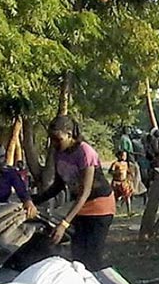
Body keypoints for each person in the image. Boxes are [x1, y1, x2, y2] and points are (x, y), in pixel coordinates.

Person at [33, 115, 117, 271]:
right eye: (52, 139)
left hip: (100, 207)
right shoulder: (59, 153)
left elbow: (85, 193)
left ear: (70, 135)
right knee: (78, 258)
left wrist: (64, 224)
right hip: (81, 208)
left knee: (92, 258)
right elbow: (58, 186)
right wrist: (33, 200)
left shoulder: (85, 152)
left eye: (58, 139)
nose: (54, 144)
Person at [109, 150, 134, 215]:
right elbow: (110, 172)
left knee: (127, 196)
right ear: (119, 156)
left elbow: (128, 172)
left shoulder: (126, 164)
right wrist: (117, 172)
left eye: (125, 156)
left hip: (124, 182)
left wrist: (130, 178)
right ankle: (113, 211)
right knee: (115, 197)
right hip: (116, 182)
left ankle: (129, 211)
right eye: (123, 155)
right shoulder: (115, 164)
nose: (125, 157)